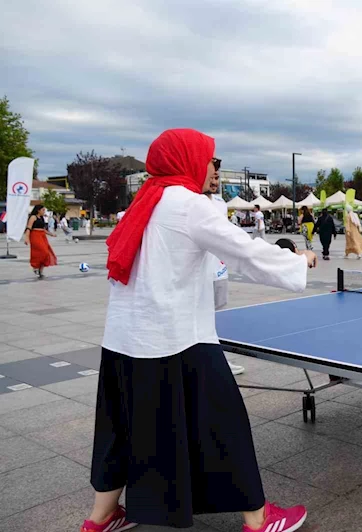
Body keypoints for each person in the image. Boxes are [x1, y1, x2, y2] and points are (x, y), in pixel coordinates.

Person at [82, 129, 316, 532]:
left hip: (123, 341)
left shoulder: (146, 201)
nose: (215, 169)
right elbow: (244, 252)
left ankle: (100, 519)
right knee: (226, 426)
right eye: (211, 160)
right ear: (186, 159)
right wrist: (299, 259)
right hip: (177, 339)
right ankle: (259, 519)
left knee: (119, 429)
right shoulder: (191, 204)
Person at [205, 157, 245, 376]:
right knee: (203, 318)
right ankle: (212, 361)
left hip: (219, 270)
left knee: (218, 317)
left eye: (217, 177)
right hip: (200, 274)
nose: (215, 181)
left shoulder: (220, 203)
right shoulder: (194, 203)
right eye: (211, 176)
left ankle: (220, 359)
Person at [23, 205, 57, 279]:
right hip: (35, 235)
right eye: (43, 210)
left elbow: (43, 229)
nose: (44, 211)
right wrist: (26, 238)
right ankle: (35, 267)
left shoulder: (42, 218)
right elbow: (28, 228)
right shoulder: (33, 217)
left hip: (42, 236)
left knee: (46, 252)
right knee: (40, 251)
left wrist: (51, 234)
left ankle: (40, 271)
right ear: (38, 210)